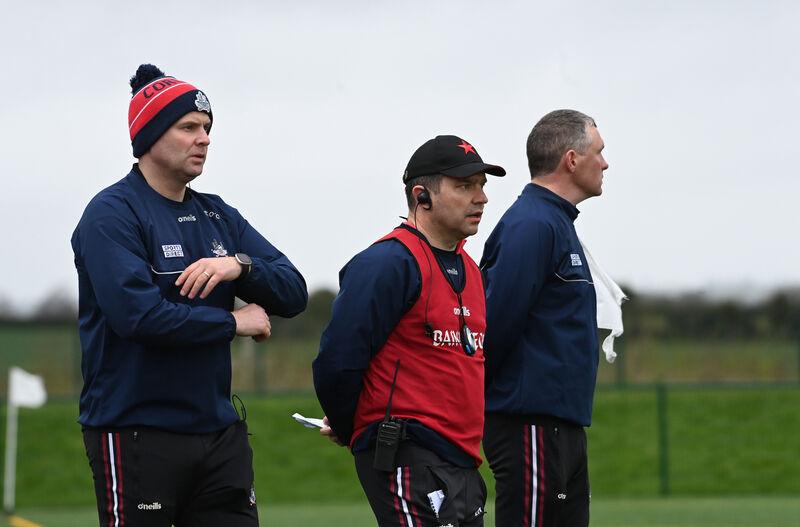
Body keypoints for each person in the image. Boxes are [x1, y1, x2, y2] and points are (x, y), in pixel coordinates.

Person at [71, 64, 308, 527]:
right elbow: (138, 317)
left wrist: (237, 265)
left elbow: (293, 291)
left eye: (207, 128)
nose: (204, 138)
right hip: (136, 433)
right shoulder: (111, 215)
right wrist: (234, 323)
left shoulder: (218, 216)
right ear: (150, 135)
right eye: (189, 127)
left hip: (219, 437)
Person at [313, 135, 505, 526]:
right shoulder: (388, 262)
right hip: (409, 456)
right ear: (423, 196)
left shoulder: (471, 269)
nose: (481, 197)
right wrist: (357, 428)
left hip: (463, 462)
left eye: (482, 185)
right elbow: (337, 361)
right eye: (465, 185)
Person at [480, 109, 609, 527]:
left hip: (559, 427)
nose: (605, 164)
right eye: (600, 152)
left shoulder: (555, 222)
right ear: (571, 160)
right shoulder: (533, 224)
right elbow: (494, 324)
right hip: (530, 425)